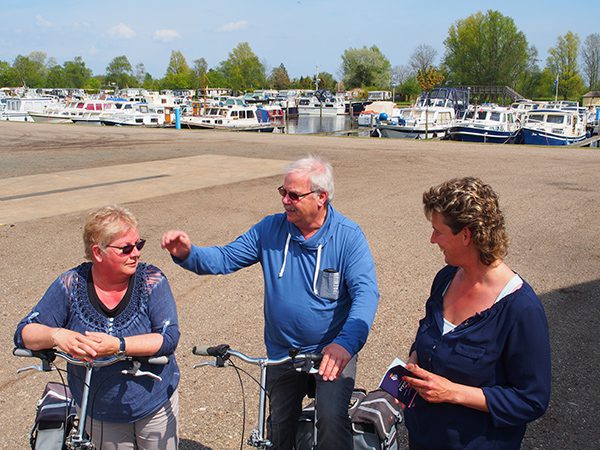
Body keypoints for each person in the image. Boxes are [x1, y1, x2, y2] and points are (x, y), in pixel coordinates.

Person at [161, 155, 379, 449]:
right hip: (282, 352)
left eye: (294, 195)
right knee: (278, 426)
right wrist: (188, 253)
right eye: (283, 192)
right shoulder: (270, 229)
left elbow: (366, 294)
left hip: (333, 350)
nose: (285, 201)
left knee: (331, 420)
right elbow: (225, 258)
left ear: (321, 197)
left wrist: (346, 344)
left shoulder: (348, 237)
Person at [14, 205, 180, 450]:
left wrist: (118, 346)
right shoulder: (71, 284)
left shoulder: (151, 280)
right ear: (97, 252)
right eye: (126, 248)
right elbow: (24, 332)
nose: (136, 253)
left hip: (152, 403)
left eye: (139, 244)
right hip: (98, 410)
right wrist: (57, 335)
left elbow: (168, 337)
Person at [403, 177, 551, 450]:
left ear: (466, 235)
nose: (432, 239)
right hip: (423, 437)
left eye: (438, 231)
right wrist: (415, 359)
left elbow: (532, 400)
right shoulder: (445, 278)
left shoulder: (521, 308)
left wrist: (453, 393)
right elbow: (430, 333)